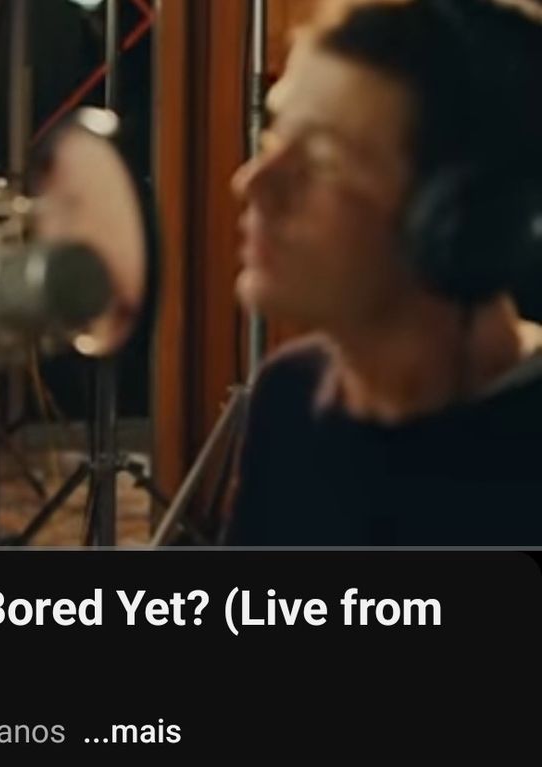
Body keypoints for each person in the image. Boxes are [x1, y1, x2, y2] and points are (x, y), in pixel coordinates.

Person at [224, 0, 542, 546]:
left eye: (323, 160)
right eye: (276, 133)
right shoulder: (290, 394)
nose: (251, 183)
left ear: (458, 218)